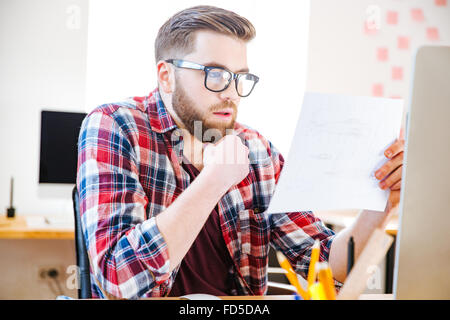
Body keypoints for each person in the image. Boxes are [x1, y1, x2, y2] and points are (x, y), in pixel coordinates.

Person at [76, 5, 404, 299]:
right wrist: (213, 181)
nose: (232, 93)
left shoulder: (258, 150)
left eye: (240, 77)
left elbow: (326, 268)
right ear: (167, 76)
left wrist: (380, 206)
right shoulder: (115, 126)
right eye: (215, 74)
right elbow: (118, 280)